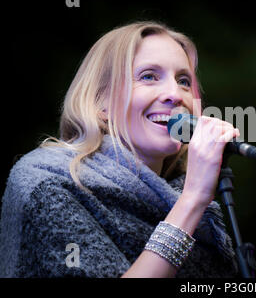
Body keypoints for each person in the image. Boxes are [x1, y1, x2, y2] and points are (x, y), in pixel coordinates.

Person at [0, 21, 241, 278]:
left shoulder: (190, 203)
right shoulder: (47, 183)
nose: (175, 94)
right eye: (148, 76)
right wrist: (192, 200)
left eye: (183, 81)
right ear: (100, 102)